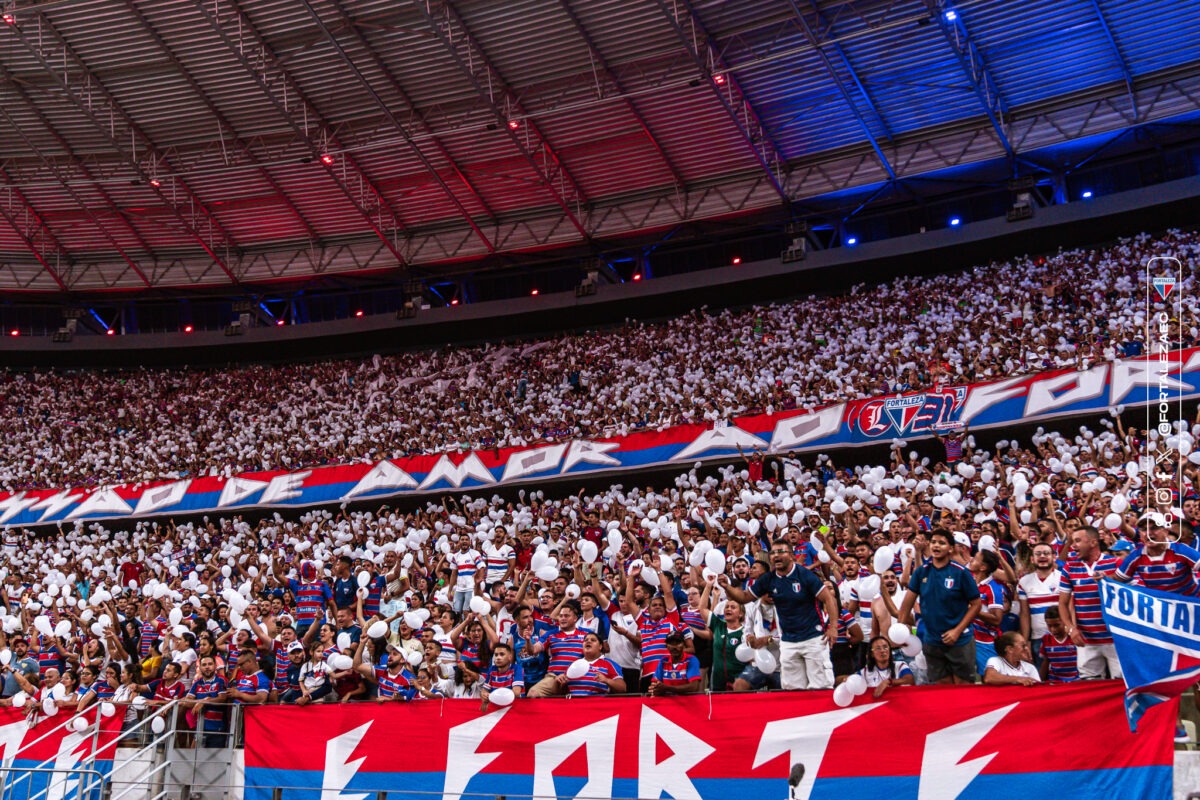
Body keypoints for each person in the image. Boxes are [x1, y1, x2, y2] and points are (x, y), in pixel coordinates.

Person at [721, 539, 837, 690]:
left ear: (791, 555)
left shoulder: (804, 575)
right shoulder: (768, 579)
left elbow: (828, 598)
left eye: (780, 552)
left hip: (813, 639)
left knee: (820, 687)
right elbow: (743, 597)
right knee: (792, 690)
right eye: (773, 552)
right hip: (788, 642)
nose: (776, 555)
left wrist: (833, 627)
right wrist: (727, 587)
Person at [898, 529, 982, 684]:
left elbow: (976, 604)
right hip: (932, 641)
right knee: (941, 689)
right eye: (934, 542)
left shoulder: (961, 572)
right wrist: (900, 631)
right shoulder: (921, 572)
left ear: (951, 548)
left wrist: (956, 631)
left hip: (960, 640)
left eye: (942, 543)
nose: (936, 546)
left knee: (963, 688)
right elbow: (906, 604)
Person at [1057, 526, 1122, 679]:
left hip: (1116, 638)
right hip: (1086, 640)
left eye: (1078, 541)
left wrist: (1110, 577)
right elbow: (1063, 603)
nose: (1073, 545)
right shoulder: (1069, 567)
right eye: (1073, 541)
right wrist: (1071, 629)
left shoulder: (1115, 563)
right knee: (1090, 686)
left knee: (1120, 684)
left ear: (1093, 542)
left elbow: (1136, 592)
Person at [1017, 543, 1062, 664]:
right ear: (1032, 559)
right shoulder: (1024, 581)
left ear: (1054, 557)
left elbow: (1069, 608)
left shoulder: (1063, 578)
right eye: (1038, 554)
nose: (1042, 556)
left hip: (1062, 637)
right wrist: (1025, 642)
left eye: (1046, 553)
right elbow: (1024, 614)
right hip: (1038, 638)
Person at [565, 632, 625, 697]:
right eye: (586, 640)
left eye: (593, 640)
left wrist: (606, 680)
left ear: (600, 646)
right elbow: (562, 691)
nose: (588, 641)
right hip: (572, 704)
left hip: (596, 704)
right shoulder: (574, 665)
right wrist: (560, 683)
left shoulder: (609, 664)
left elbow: (622, 688)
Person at [1038, 607, 1078, 684]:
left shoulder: (1073, 637)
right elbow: (1045, 662)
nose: (1053, 629)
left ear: (1064, 622)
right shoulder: (1046, 639)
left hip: (1075, 681)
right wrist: (1040, 681)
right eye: (1050, 626)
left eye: (1057, 625)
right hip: (1055, 681)